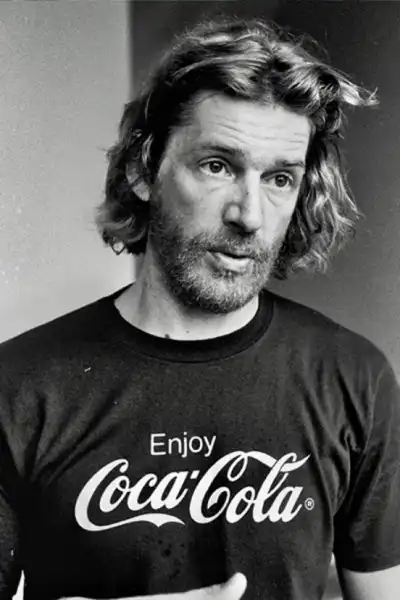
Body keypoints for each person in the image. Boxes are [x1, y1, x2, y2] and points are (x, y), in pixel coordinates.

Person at [1, 16, 400, 600]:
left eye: (280, 179)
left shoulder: (355, 379)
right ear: (144, 170)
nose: (250, 215)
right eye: (218, 166)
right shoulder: (17, 386)